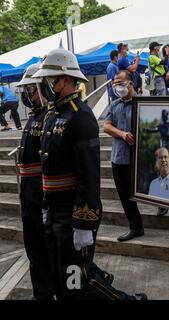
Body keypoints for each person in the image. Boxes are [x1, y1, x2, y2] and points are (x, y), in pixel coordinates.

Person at [32, 46, 146, 300]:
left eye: (51, 79)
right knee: (62, 279)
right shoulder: (54, 114)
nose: (46, 85)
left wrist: (84, 222)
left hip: (73, 211)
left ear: (68, 79)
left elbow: (89, 175)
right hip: (55, 209)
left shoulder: (79, 115)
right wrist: (45, 205)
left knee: (77, 281)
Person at [15, 63, 55, 300]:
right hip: (28, 191)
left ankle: (52, 290)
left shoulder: (51, 116)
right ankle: (41, 293)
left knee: (48, 247)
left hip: (43, 190)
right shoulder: (35, 117)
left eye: (31, 89)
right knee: (34, 248)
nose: (28, 95)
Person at [104, 70, 145, 242]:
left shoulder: (144, 103)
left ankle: (162, 206)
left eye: (121, 83)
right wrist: (121, 134)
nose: (117, 87)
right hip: (119, 158)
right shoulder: (114, 105)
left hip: (140, 158)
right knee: (125, 195)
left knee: (148, 189)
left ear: (131, 83)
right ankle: (135, 227)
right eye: (115, 84)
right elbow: (106, 126)